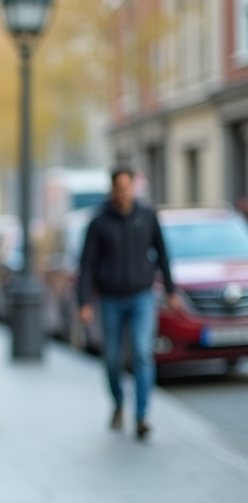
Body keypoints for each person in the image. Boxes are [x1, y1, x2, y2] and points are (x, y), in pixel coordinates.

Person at [77, 167, 179, 438]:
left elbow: (163, 253)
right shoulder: (99, 221)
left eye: (127, 187)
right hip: (110, 298)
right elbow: (86, 264)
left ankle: (142, 415)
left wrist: (171, 289)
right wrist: (83, 301)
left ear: (133, 187)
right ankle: (119, 403)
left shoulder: (147, 216)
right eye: (118, 188)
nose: (123, 192)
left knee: (142, 352)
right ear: (112, 190)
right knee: (111, 357)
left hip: (141, 297)